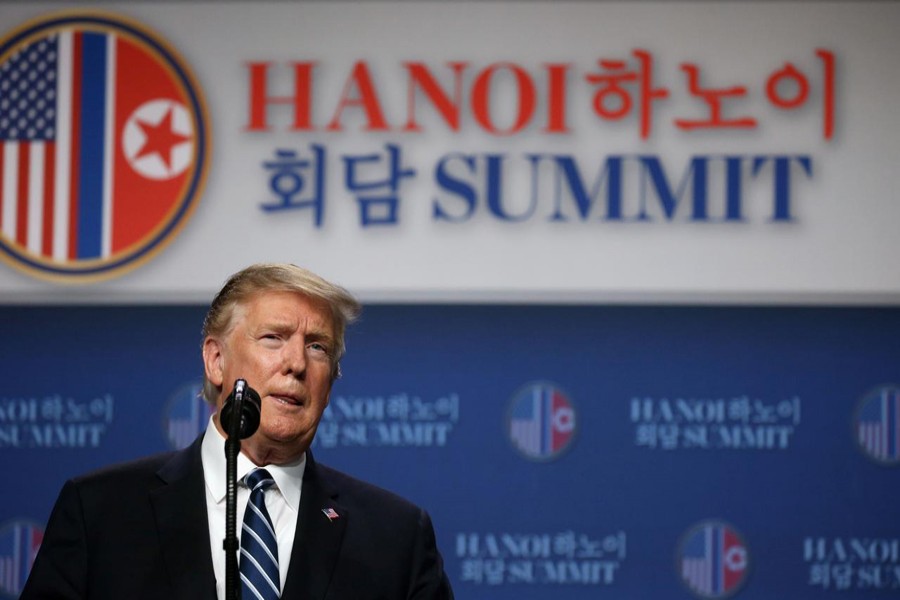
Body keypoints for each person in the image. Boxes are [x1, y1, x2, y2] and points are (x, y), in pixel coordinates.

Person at [21, 263, 454, 599]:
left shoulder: (395, 535)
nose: (297, 363)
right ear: (216, 360)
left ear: (333, 377)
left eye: (317, 347)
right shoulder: (101, 511)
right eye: (273, 337)